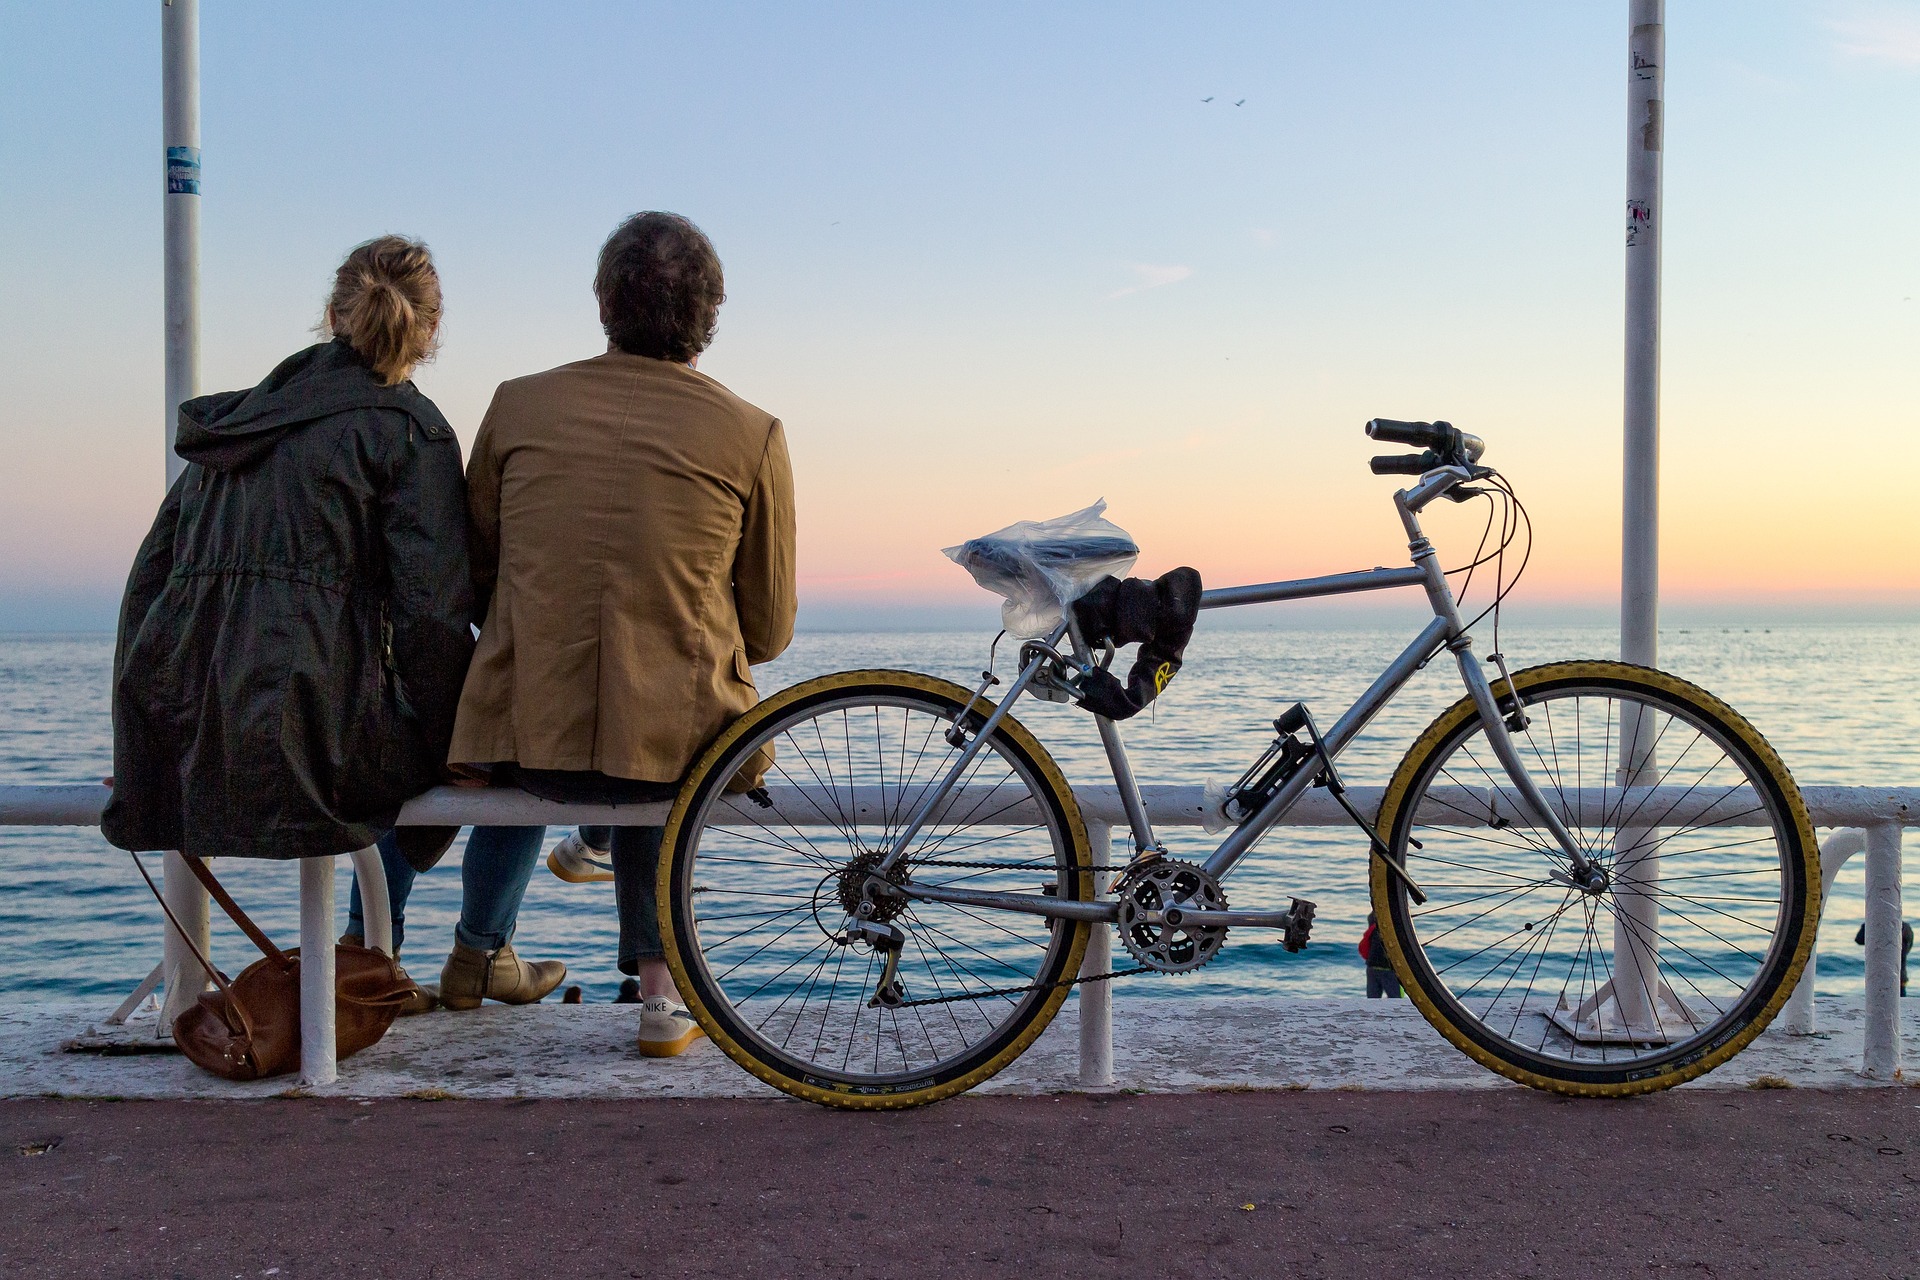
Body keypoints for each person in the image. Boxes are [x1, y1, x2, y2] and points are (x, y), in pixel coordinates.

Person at [444, 211, 796, 1053]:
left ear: (602, 301)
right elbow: (772, 628)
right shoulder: (753, 433)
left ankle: (469, 956)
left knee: (553, 715)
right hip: (667, 752)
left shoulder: (518, 404)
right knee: (664, 734)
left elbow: (475, 570)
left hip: (519, 740)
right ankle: (661, 1000)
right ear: (711, 313)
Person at [103, 236, 475, 1013]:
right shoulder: (411, 432)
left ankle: (372, 954)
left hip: (192, 731)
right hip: (315, 743)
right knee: (506, 749)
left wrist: (143, 739)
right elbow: (432, 624)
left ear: (333, 315)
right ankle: (443, 953)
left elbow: (149, 587)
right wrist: (460, 748)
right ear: (431, 333)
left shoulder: (236, 425)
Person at [1854, 920, 1914, 996]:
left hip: (1878, 973)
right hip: (1899, 974)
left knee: (1876, 1002)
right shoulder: (1905, 927)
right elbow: (1909, 946)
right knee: (1901, 1002)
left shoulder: (1871, 925)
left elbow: (1859, 940)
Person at [1358, 911, 1401, 998]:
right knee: (1396, 1000)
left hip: (1372, 968)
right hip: (1388, 969)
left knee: (1372, 1000)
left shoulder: (1370, 932)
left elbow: (1362, 948)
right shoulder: (1392, 931)